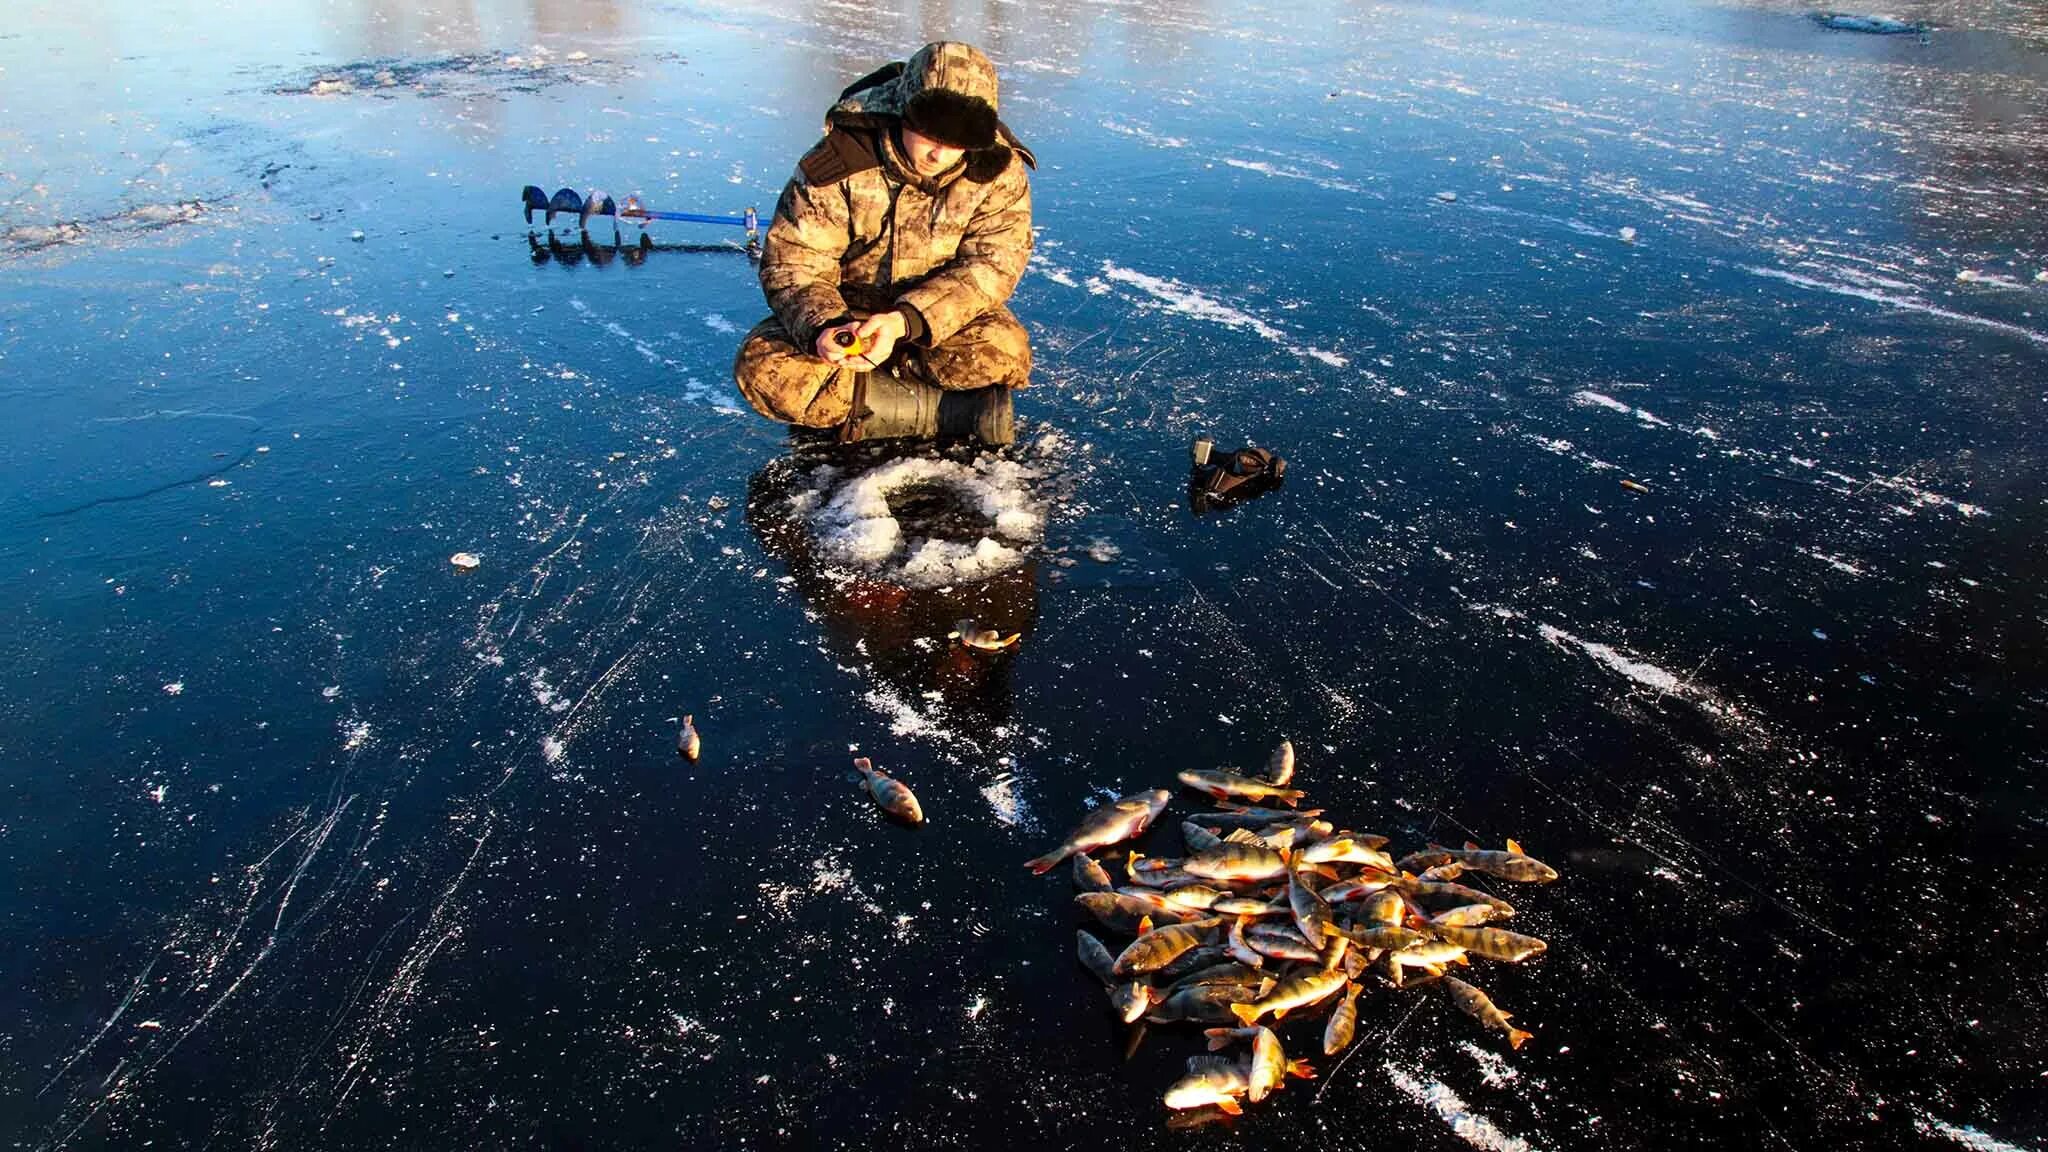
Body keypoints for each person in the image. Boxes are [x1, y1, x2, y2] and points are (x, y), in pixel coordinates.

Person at [732, 42, 1036, 445]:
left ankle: (882, 395)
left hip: (937, 320)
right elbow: (794, 262)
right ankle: (888, 402)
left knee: (1004, 350)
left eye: (957, 139)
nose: (940, 152)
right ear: (903, 111)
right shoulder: (840, 160)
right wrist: (827, 328)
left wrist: (906, 322)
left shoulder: (996, 170)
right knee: (765, 372)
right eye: (929, 133)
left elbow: (993, 266)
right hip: (848, 314)